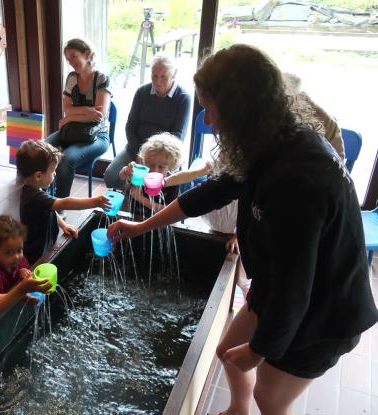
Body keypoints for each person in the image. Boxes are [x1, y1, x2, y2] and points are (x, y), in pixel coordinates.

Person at [108, 44, 378, 415]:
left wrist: (258, 350)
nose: (206, 120)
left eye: (210, 108)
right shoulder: (267, 140)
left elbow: (294, 285)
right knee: (226, 353)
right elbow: (209, 193)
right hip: (284, 289)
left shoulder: (300, 178)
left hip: (327, 310)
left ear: (239, 108)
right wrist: (141, 226)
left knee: (269, 396)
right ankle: (238, 409)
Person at [104, 54, 192, 190]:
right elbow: (130, 126)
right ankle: (129, 199)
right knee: (111, 175)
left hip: (164, 154)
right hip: (137, 147)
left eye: (163, 76)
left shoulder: (183, 98)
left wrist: (152, 158)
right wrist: (140, 152)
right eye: (154, 76)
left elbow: (178, 136)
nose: (158, 81)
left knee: (157, 184)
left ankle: (141, 201)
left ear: (174, 74)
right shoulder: (142, 92)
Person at [16, 140, 109, 264]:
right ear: (38, 176)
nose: (55, 174)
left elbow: (50, 209)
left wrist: (63, 225)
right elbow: (65, 203)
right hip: (35, 253)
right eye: (53, 171)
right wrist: (94, 202)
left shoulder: (36, 189)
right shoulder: (33, 197)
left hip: (45, 245)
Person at [45, 38, 111, 198]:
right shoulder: (72, 78)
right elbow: (67, 109)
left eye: (74, 56)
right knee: (42, 149)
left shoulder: (101, 78)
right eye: (68, 59)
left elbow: (99, 116)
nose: (70, 62)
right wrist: (85, 111)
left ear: (87, 54)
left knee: (66, 159)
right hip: (72, 130)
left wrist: (70, 117)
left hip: (97, 136)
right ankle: (43, 195)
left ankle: (60, 204)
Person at [0, 215, 37, 307]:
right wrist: (18, 295)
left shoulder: (20, 260)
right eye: (9, 253)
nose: (17, 256)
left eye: (19, 250)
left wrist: (21, 270)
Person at [118, 132, 183, 212]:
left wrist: (140, 198)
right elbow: (121, 176)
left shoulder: (173, 181)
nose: (155, 170)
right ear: (145, 161)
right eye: (151, 165)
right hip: (130, 213)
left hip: (156, 220)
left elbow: (170, 211)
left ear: (171, 166)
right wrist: (126, 170)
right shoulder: (140, 173)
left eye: (161, 167)